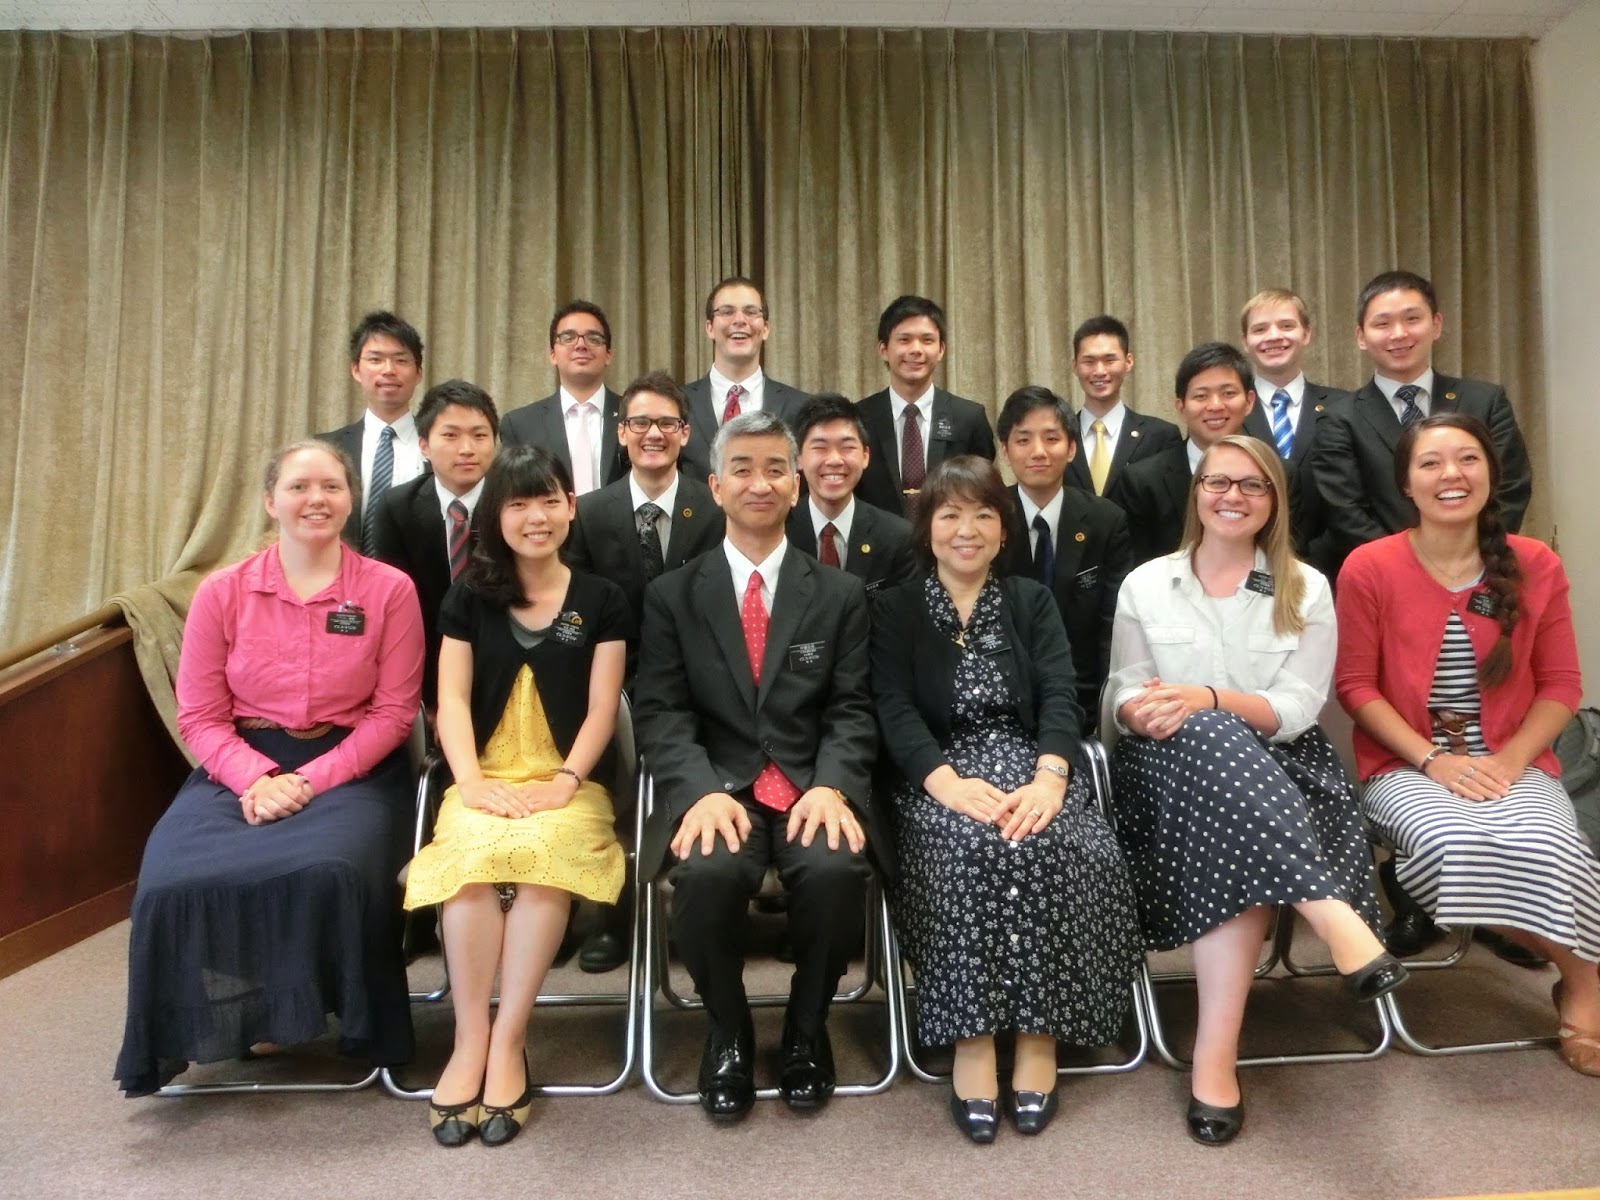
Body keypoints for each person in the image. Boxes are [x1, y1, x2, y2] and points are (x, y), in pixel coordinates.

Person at [1103, 433, 1404, 1146]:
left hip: (1285, 769)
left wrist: (1206, 699)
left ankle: (1214, 1060)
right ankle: (1335, 918)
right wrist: (1141, 710)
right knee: (1208, 740)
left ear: (1274, 500)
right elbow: (1123, 688)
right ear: (1196, 492)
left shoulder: (1306, 587)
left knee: (1225, 785)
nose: (1232, 496)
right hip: (1165, 774)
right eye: (1218, 482)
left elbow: (1298, 707)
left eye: (1251, 485)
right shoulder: (1147, 582)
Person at [114, 440, 424, 1097]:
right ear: (270, 501)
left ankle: (332, 1017)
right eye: (298, 487)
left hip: (354, 765)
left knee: (336, 869)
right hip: (240, 766)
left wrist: (308, 781)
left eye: (331, 486)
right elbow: (199, 717)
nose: (316, 499)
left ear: (351, 499)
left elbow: (394, 715)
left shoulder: (388, 589)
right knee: (167, 882)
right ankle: (252, 1012)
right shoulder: (222, 592)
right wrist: (256, 779)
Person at [871, 455, 1141, 1144]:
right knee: (968, 848)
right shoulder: (895, 607)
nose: (967, 530)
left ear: (1003, 528)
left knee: (1054, 841)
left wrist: (1051, 777)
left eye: (984, 514)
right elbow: (893, 708)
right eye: (950, 514)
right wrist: (944, 782)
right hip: (936, 775)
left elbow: (1061, 693)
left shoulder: (1030, 600)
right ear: (927, 527)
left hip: (1029, 764)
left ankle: (1038, 1037)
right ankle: (973, 1040)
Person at [633, 410, 881, 1122]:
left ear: (796, 486)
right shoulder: (672, 595)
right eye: (742, 469)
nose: (760, 483)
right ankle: (729, 1029)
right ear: (715, 487)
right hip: (718, 787)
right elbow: (661, 712)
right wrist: (698, 792)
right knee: (706, 876)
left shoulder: (838, 594)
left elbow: (853, 709)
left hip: (809, 784)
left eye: (776, 469)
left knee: (833, 871)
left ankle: (806, 1028)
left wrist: (832, 786)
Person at [1335, 413, 1599, 1077]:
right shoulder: (1370, 566)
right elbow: (1356, 687)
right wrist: (1433, 760)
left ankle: (1581, 983)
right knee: (1455, 847)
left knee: (1555, 846)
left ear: (1491, 474)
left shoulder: (1535, 563)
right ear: (1406, 484)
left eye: (1467, 459)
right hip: (1406, 767)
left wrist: (1509, 763)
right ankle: (1584, 976)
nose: (1450, 474)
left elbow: (1562, 686)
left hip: (1514, 761)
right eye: (1430, 463)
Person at [402, 445, 631, 1146]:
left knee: (541, 863)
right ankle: (469, 1039)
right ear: (495, 515)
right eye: (519, 503)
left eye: (550, 500)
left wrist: (564, 783)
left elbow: (603, 707)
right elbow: (451, 700)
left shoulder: (602, 598)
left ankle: (509, 1040)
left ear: (571, 506)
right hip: (482, 778)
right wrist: (471, 783)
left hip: (570, 783)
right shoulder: (468, 596)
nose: (537, 517)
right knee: (471, 865)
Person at [563, 370, 725, 974]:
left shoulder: (715, 506)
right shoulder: (590, 512)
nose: (652, 433)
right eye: (640, 422)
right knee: (613, 792)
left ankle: (697, 909)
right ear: (621, 431)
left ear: (685, 433)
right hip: (615, 682)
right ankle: (613, 916)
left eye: (666, 423)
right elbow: (578, 608)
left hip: (702, 679)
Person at [1312, 270, 1533, 576]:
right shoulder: (1339, 418)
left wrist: (1468, 560)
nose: (1399, 333)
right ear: (1361, 337)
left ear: (1436, 324)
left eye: (1412, 319)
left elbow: (1511, 487)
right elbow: (1344, 511)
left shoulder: (1485, 400)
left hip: (1479, 572)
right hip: (1387, 578)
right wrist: (1411, 571)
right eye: (1382, 324)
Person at [995, 385, 1132, 730]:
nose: (1038, 451)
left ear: (1071, 448)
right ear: (1005, 452)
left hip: (1081, 697)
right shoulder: (988, 519)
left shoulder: (1105, 521)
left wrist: (1104, 709)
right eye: (1023, 440)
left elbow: (1111, 628)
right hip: (1000, 698)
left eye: (1052, 438)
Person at [371, 379, 499, 713]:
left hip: (504, 670)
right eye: (451, 436)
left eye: (479, 435)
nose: (467, 448)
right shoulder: (397, 507)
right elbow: (399, 615)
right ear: (424, 446)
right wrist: (428, 699)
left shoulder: (515, 503)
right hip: (425, 673)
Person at [1110, 342, 1260, 566]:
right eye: (1201, 396)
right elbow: (1135, 568)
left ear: (1249, 402)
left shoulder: (1279, 475)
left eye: (1228, 393)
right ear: (1181, 408)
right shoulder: (1142, 481)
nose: (1215, 405)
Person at [1237, 288, 1350, 579]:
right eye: (1260, 329)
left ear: (1306, 333)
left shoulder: (1345, 408)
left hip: (1330, 569)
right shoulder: (1230, 413)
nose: (1274, 336)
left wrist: (1312, 561)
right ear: (1245, 341)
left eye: (1286, 325)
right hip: (1245, 570)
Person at [856, 295, 996, 518]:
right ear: (883, 349)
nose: (916, 349)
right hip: (878, 538)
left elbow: (984, 492)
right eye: (904, 340)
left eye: (927, 340)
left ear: (941, 349)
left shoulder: (969, 417)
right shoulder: (859, 418)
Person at [317, 310, 429, 553]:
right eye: (376, 359)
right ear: (356, 370)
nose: (389, 370)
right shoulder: (326, 450)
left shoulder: (437, 446)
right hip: (342, 572)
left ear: (418, 373)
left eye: (401, 360)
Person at [682, 276, 810, 481]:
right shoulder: (677, 403)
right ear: (709, 327)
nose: (740, 320)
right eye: (727, 311)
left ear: (765, 328)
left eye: (751, 312)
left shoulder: (803, 407)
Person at [787, 392, 916, 593]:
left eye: (847, 447)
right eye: (820, 448)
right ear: (798, 459)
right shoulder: (778, 531)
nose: (834, 460)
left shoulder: (898, 538)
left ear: (865, 456)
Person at [500, 300, 627, 494]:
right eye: (568, 337)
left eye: (593, 338)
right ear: (552, 354)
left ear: (608, 355)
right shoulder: (519, 425)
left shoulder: (634, 415)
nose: (581, 345)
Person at [1064, 315, 1181, 498]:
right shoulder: (1060, 436)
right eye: (1089, 361)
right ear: (1075, 365)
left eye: (1109, 360)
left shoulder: (1161, 437)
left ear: (1128, 362)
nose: (1100, 371)